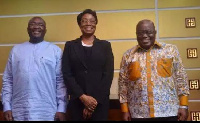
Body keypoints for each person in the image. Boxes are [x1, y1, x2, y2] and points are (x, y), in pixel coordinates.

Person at [118, 19, 189, 121]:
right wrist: (124, 110)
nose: (144, 36)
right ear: (136, 34)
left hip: (169, 113)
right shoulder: (128, 55)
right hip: (138, 114)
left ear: (155, 33)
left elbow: (181, 78)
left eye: (148, 32)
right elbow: (123, 85)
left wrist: (184, 105)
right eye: (140, 33)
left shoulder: (171, 50)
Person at [1, 17, 67, 121]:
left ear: (45, 30)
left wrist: (62, 108)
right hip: (19, 110)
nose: (36, 27)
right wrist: (6, 106)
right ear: (27, 29)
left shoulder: (55, 51)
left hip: (47, 111)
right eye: (32, 24)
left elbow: (61, 81)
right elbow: (8, 80)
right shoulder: (16, 50)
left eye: (40, 25)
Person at [62, 9, 114, 121]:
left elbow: (108, 75)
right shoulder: (70, 46)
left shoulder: (105, 46)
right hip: (77, 101)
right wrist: (83, 97)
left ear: (96, 23)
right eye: (84, 21)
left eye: (92, 21)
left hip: (99, 103)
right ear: (80, 24)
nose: (88, 23)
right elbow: (67, 73)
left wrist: (93, 103)